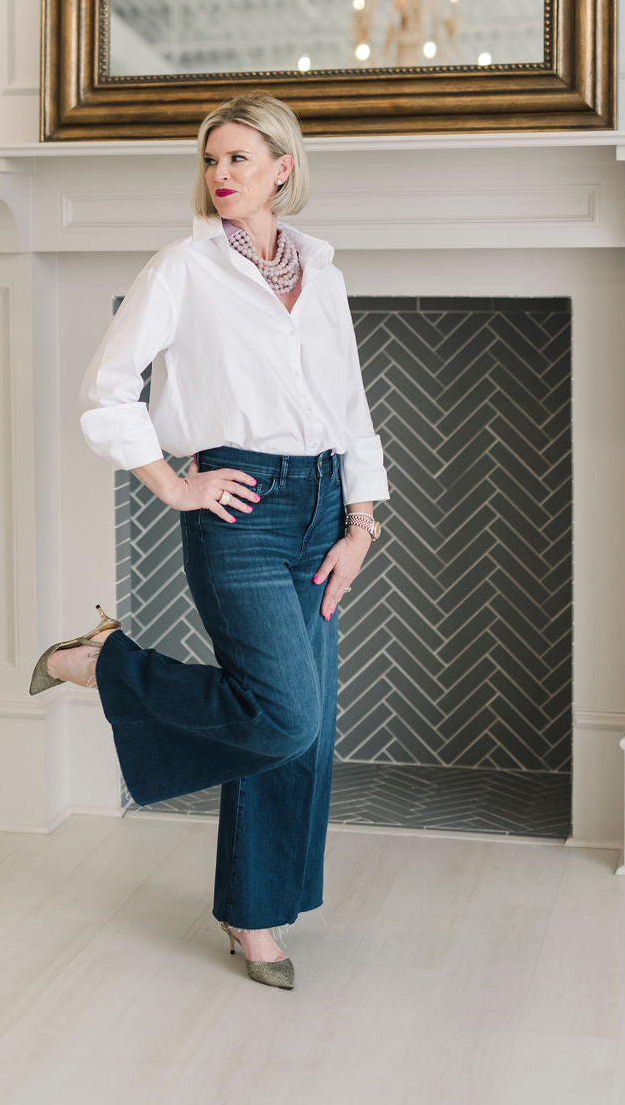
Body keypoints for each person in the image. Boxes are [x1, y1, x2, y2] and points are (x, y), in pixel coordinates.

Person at [29, 92, 389, 989]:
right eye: (210, 160)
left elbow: (350, 408)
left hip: (318, 508)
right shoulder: (181, 270)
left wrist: (361, 523)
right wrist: (176, 484)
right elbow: (106, 390)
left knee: (307, 733)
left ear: (282, 169)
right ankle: (103, 661)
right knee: (283, 713)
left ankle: (255, 917)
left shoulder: (325, 274)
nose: (220, 175)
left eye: (238, 159)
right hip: (240, 506)